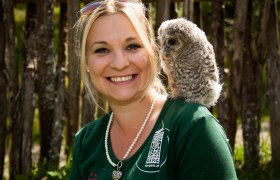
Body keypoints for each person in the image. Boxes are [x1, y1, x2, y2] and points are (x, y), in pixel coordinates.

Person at [69, 0, 237, 179]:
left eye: (132, 46)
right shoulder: (86, 143)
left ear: (152, 50)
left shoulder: (193, 127)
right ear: (87, 62)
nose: (119, 63)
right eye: (102, 50)